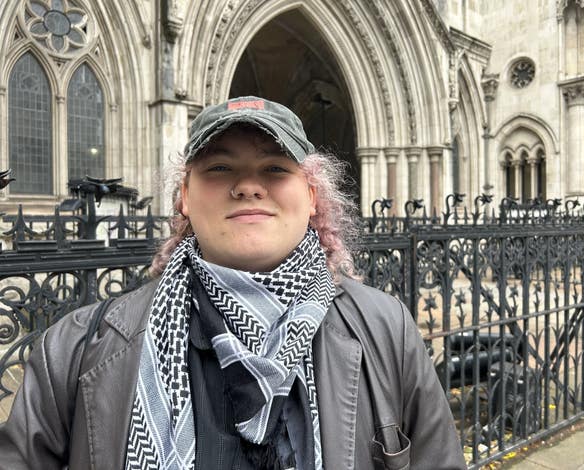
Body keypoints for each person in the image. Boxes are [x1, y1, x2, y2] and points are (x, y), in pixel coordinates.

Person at [0, 96, 466, 469]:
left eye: (275, 168)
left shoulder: (386, 330)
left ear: (310, 197)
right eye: (220, 168)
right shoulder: (74, 350)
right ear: (183, 195)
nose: (248, 185)